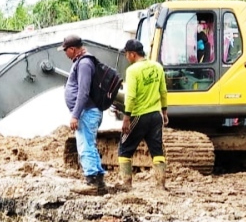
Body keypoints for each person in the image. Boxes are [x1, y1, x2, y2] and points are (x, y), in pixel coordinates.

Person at [117, 39, 169, 191]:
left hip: (139, 115)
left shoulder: (133, 71)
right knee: (157, 150)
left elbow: (131, 96)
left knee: (124, 148)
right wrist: (164, 112)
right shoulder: (157, 66)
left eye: (127, 54)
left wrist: (127, 118)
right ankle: (160, 185)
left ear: (132, 54)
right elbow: (163, 91)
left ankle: (127, 184)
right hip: (156, 115)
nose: (126, 57)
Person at [59, 34, 107, 196]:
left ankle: (92, 181)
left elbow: (83, 92)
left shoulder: (85, 63)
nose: (65, 54)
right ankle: (99, 181)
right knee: (89, 144)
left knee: (85, 145)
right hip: (87, 111)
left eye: (66, 50)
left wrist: (75, 115)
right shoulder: (82, 62)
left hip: (86, 112)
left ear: (72, 49)